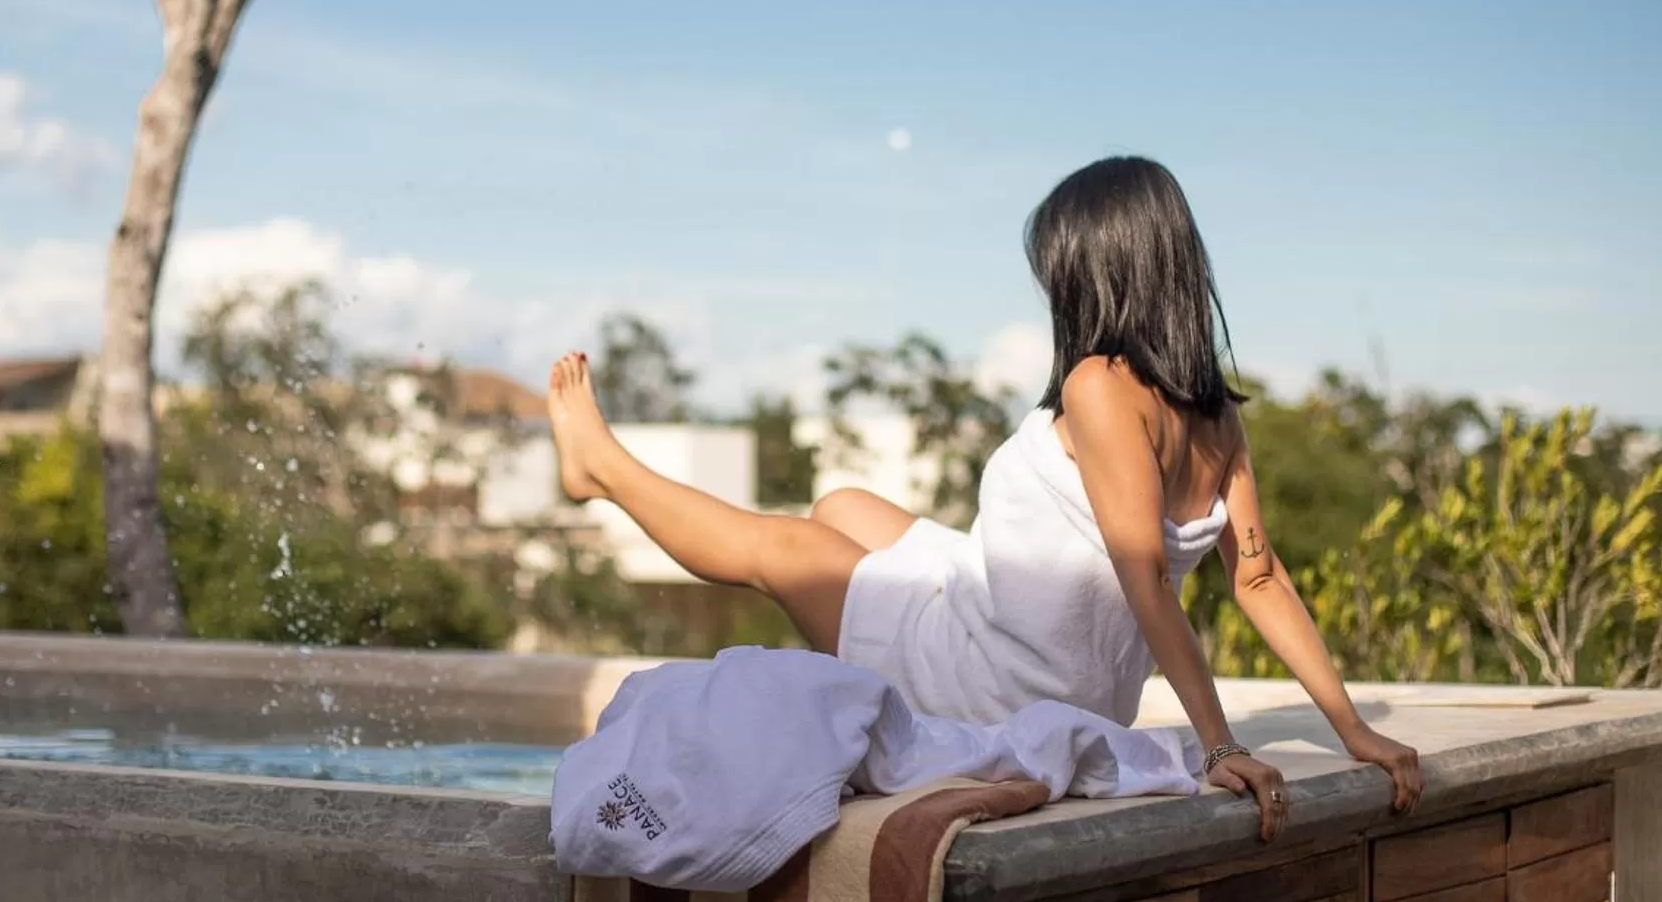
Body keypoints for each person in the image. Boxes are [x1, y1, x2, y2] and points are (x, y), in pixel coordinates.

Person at [546, 155, 1422, 842]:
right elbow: (1260, 579)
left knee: (782, 551)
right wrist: (1351, 728)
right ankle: (846, 593)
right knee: (844, 505)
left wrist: (1221, 745)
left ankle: (603, 468)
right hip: (1024, 630)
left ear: (1100, 274)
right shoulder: (1218, 414)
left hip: (997, 683)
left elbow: (1147, 579)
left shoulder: (1101, 386)